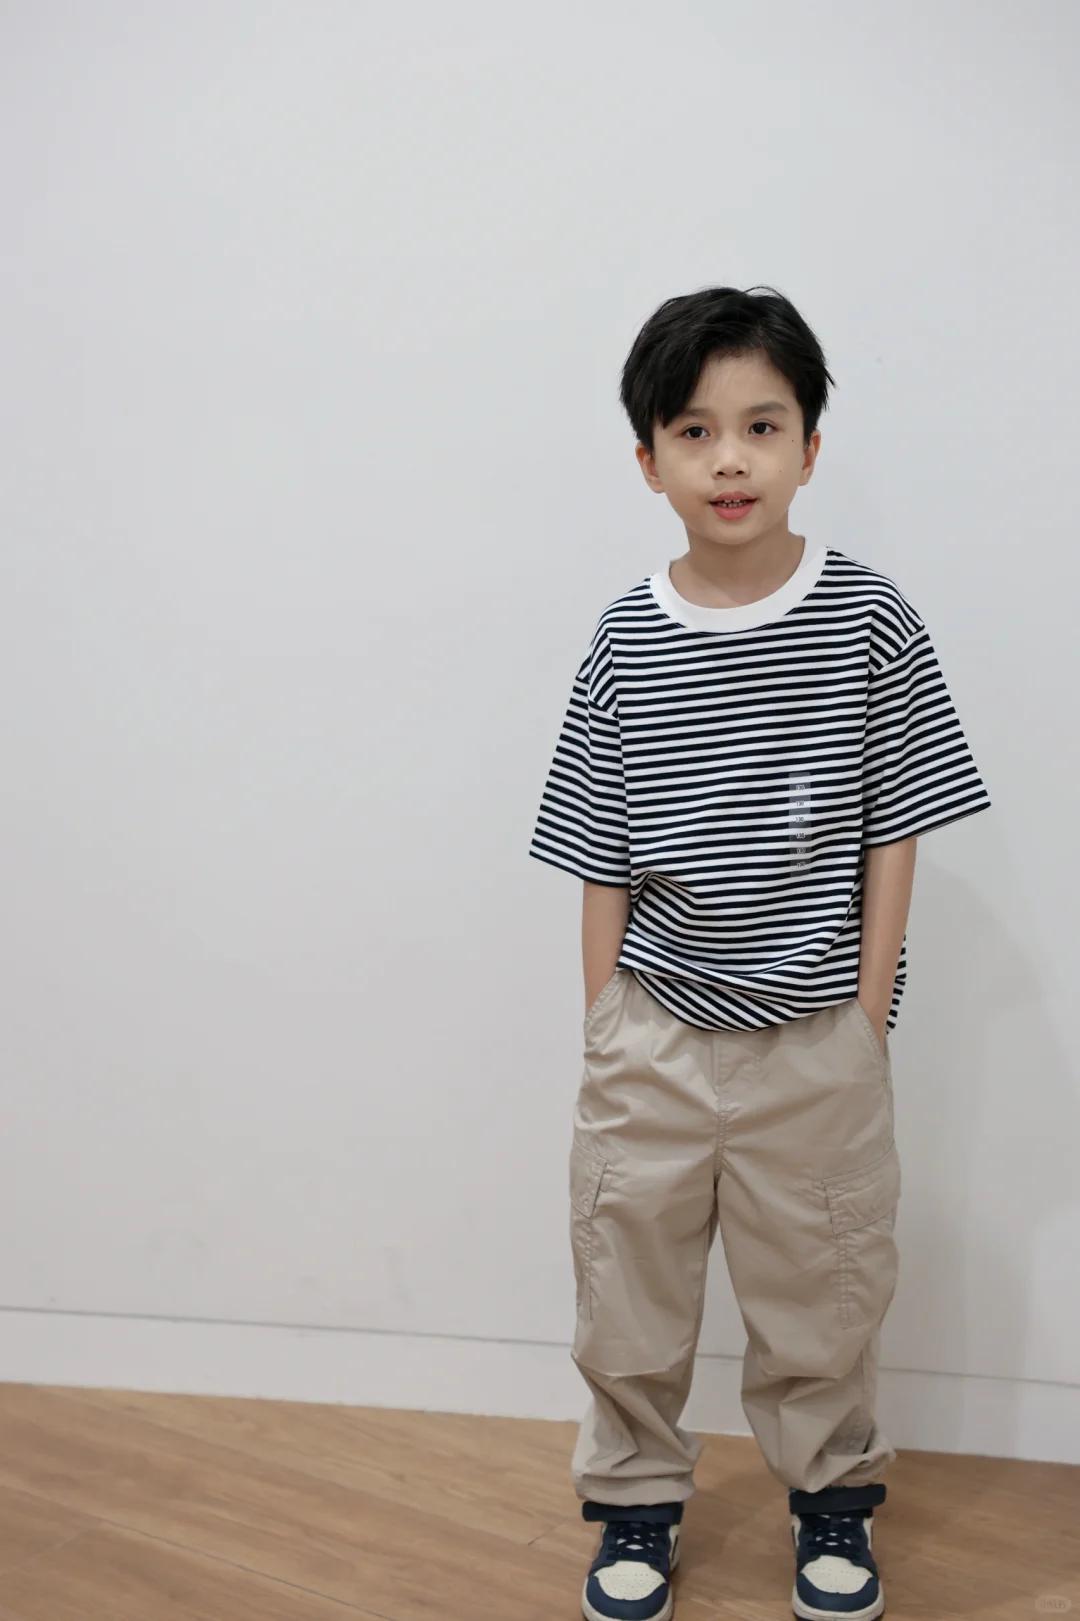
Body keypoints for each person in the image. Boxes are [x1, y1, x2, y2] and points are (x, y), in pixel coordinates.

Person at [528, 285, 992, 1621]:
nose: (729, 459)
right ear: (650, 461)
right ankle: (635, 1510)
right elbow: (602, 857)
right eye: (695, 431)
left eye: (761, 425)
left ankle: (833, 1504)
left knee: (825, 1292)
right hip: (656, 1038)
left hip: (815, 1042)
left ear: (809, 447)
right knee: (628, 1291)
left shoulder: (871, 619)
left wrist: (867, 1015)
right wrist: (606, 1023)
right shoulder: (624, 636)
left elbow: (897, 829)